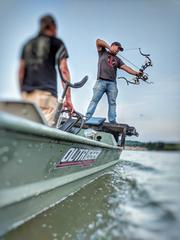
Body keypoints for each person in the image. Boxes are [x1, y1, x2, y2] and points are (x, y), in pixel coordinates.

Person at [18, 14, 74, 126]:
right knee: (44, 137)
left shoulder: (27, 44)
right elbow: (64, 70)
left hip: (28, 98)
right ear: (53, 27)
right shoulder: (57, 43)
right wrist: (68, 99)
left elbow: (20, 72)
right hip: (46, 97)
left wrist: (23, 92)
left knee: (28, 132)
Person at [86, 39, 142, 123]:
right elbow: (98, 41)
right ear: (113, 46)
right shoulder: (102, 52)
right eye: (118, 48)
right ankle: (87, 118)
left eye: (119, 50)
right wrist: (109, 47)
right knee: (94, 100)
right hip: (100, 81)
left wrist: (136, 73)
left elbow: (126, 67)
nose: (118, 50)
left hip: (112, 84)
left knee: (112, 103)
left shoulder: (118, 60)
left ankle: (112, 121)